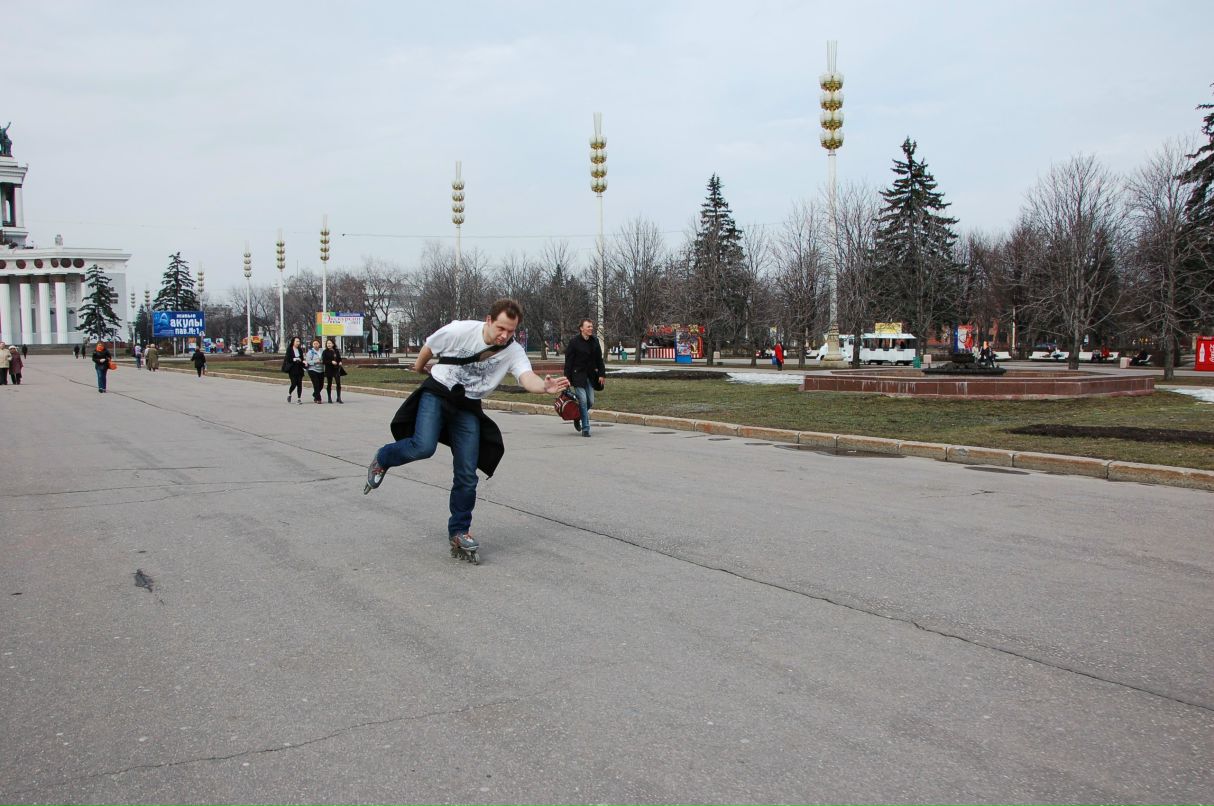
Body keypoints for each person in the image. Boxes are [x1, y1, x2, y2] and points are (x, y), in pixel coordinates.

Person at [364, 298, 570, 562]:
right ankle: (383, 458)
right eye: (500, 328)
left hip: (468, 405)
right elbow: (430, 347)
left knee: (467, 472)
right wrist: (418, 367)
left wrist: (543, 387)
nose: (504, 335)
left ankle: (459, 531)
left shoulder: (513, 350)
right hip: (439, 392)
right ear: (488, 320)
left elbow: (525, 376)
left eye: (510, 331)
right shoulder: (460, 330)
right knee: (423, 446)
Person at [563, 318, 605, 438]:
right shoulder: (574, 342)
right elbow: (568, 362)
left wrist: (601, 374)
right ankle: (585, 428)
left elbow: (599, 359)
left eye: (591, 326)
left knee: (590, 401)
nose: (591, 328)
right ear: (581, 328)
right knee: (583, 400)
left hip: (590, 376)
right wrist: (567, 378)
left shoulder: (595, 341)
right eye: (588, 326)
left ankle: (577, 417)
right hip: (577, 376)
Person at [282, 336, 306, 403]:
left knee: (299, 384)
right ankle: (289, 393)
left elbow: (302, 358)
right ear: (293, 342)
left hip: (299, 368)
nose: (298, 343)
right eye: (297, 341)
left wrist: (303, 362)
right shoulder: (289, 349)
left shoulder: (300, 349)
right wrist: (294, 359)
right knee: (294, 383)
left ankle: (299, 398)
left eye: (299, 341)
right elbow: (288, 359)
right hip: (292, 369)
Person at [322, 337, 344, 403]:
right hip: (329, 369)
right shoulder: (325, 352)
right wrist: (331, 362)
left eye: (330, 343)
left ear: (333, 344)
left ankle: (339, 397)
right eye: (327, 343)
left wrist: (340, 362)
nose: (329, 344)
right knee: (329, 383)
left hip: (336, 369)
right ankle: (329, 398)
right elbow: (324, 361)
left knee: (338, 383)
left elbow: (339, 358)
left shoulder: (336, 351)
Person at [304, 338, 325, 403]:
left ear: (319, 344)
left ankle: (315, 394)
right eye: (314, 344)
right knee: (316, 384)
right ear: (312, 345)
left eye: (317, 343)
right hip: (312, 370)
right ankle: (318, 399)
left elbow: (326, 358)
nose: (316, 345)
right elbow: (308, 361)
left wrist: (323, 361)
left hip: (321, 370)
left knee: (321, 385)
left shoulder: (322, 351)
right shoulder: (310, 352)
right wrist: (315, 361)